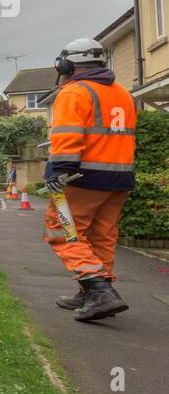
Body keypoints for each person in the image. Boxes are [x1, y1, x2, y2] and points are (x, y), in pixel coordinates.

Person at [44, 38, 138, 322]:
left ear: (67, 65)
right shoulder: (123, 94)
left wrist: (59, 170)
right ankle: (91, 292)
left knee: (63, 230)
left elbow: (66, 134)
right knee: (102, 236)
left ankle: (99, 291)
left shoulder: (74, 92)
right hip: (119, 180)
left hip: (79, 180)